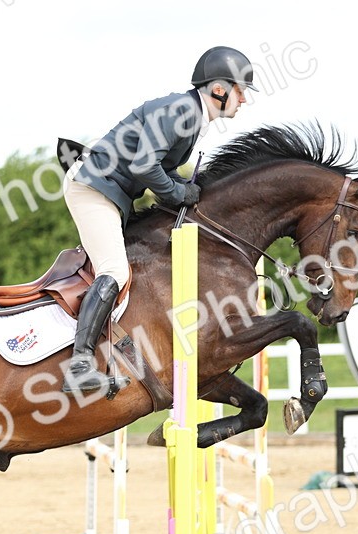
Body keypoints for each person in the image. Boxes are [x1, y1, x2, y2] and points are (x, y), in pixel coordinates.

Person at [60, 45, 257, 394]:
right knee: (115, 271)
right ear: (219, 89)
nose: (243, 100)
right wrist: (179, 193)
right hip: (94, 187)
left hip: (111, 191)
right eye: (240, 91)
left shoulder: (191, 116)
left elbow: (158, 168)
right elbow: (143, 167)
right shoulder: (182, 111)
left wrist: (181, 184)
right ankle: (80, 364)